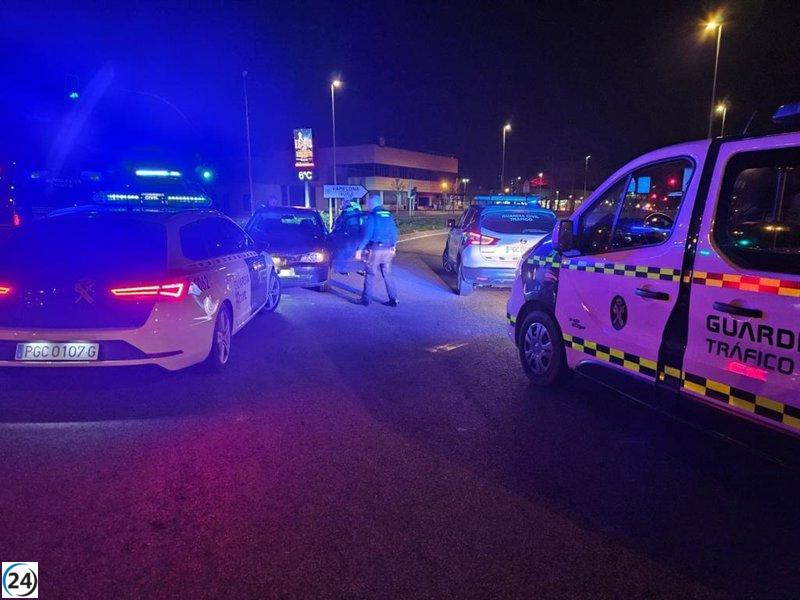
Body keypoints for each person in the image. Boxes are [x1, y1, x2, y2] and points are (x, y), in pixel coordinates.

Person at [357, 194, 399, 307]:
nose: (368, 205)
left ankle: (366, 300)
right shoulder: (389, 215)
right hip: (388, 249)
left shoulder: (372, 217)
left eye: (369, 203)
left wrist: (359, 249)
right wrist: (394, 246)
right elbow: (394, 233)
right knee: (388, 274)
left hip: (376, 250)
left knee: (370, 274)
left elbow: (367, 235)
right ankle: (393, 299)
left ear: (372, 203)